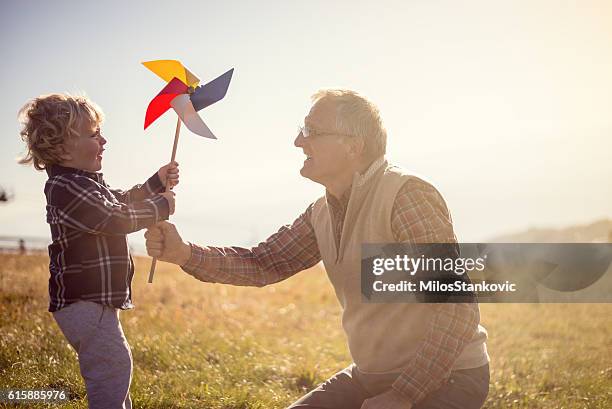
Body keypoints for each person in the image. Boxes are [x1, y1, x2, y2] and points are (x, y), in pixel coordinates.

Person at [145, 89, 490, 409]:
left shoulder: (406, 196)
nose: (298, 141)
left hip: (447, 379)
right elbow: (264, 262)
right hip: (371, 376)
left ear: (353, 145)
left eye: (311, 130)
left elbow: (456, 308)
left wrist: (403, 395)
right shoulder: (320, 213)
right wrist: (184, 253)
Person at [18, 93, 179, 409]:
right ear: (62, 147)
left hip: (94, 302)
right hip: (83, 302)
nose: (104, 140)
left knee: (113, 371)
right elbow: (112, 218)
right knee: (112, 369)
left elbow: (120, 201)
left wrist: (155, 183)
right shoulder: (65, 187)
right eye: (93, 135)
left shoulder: (86, 184)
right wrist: (159, 207)